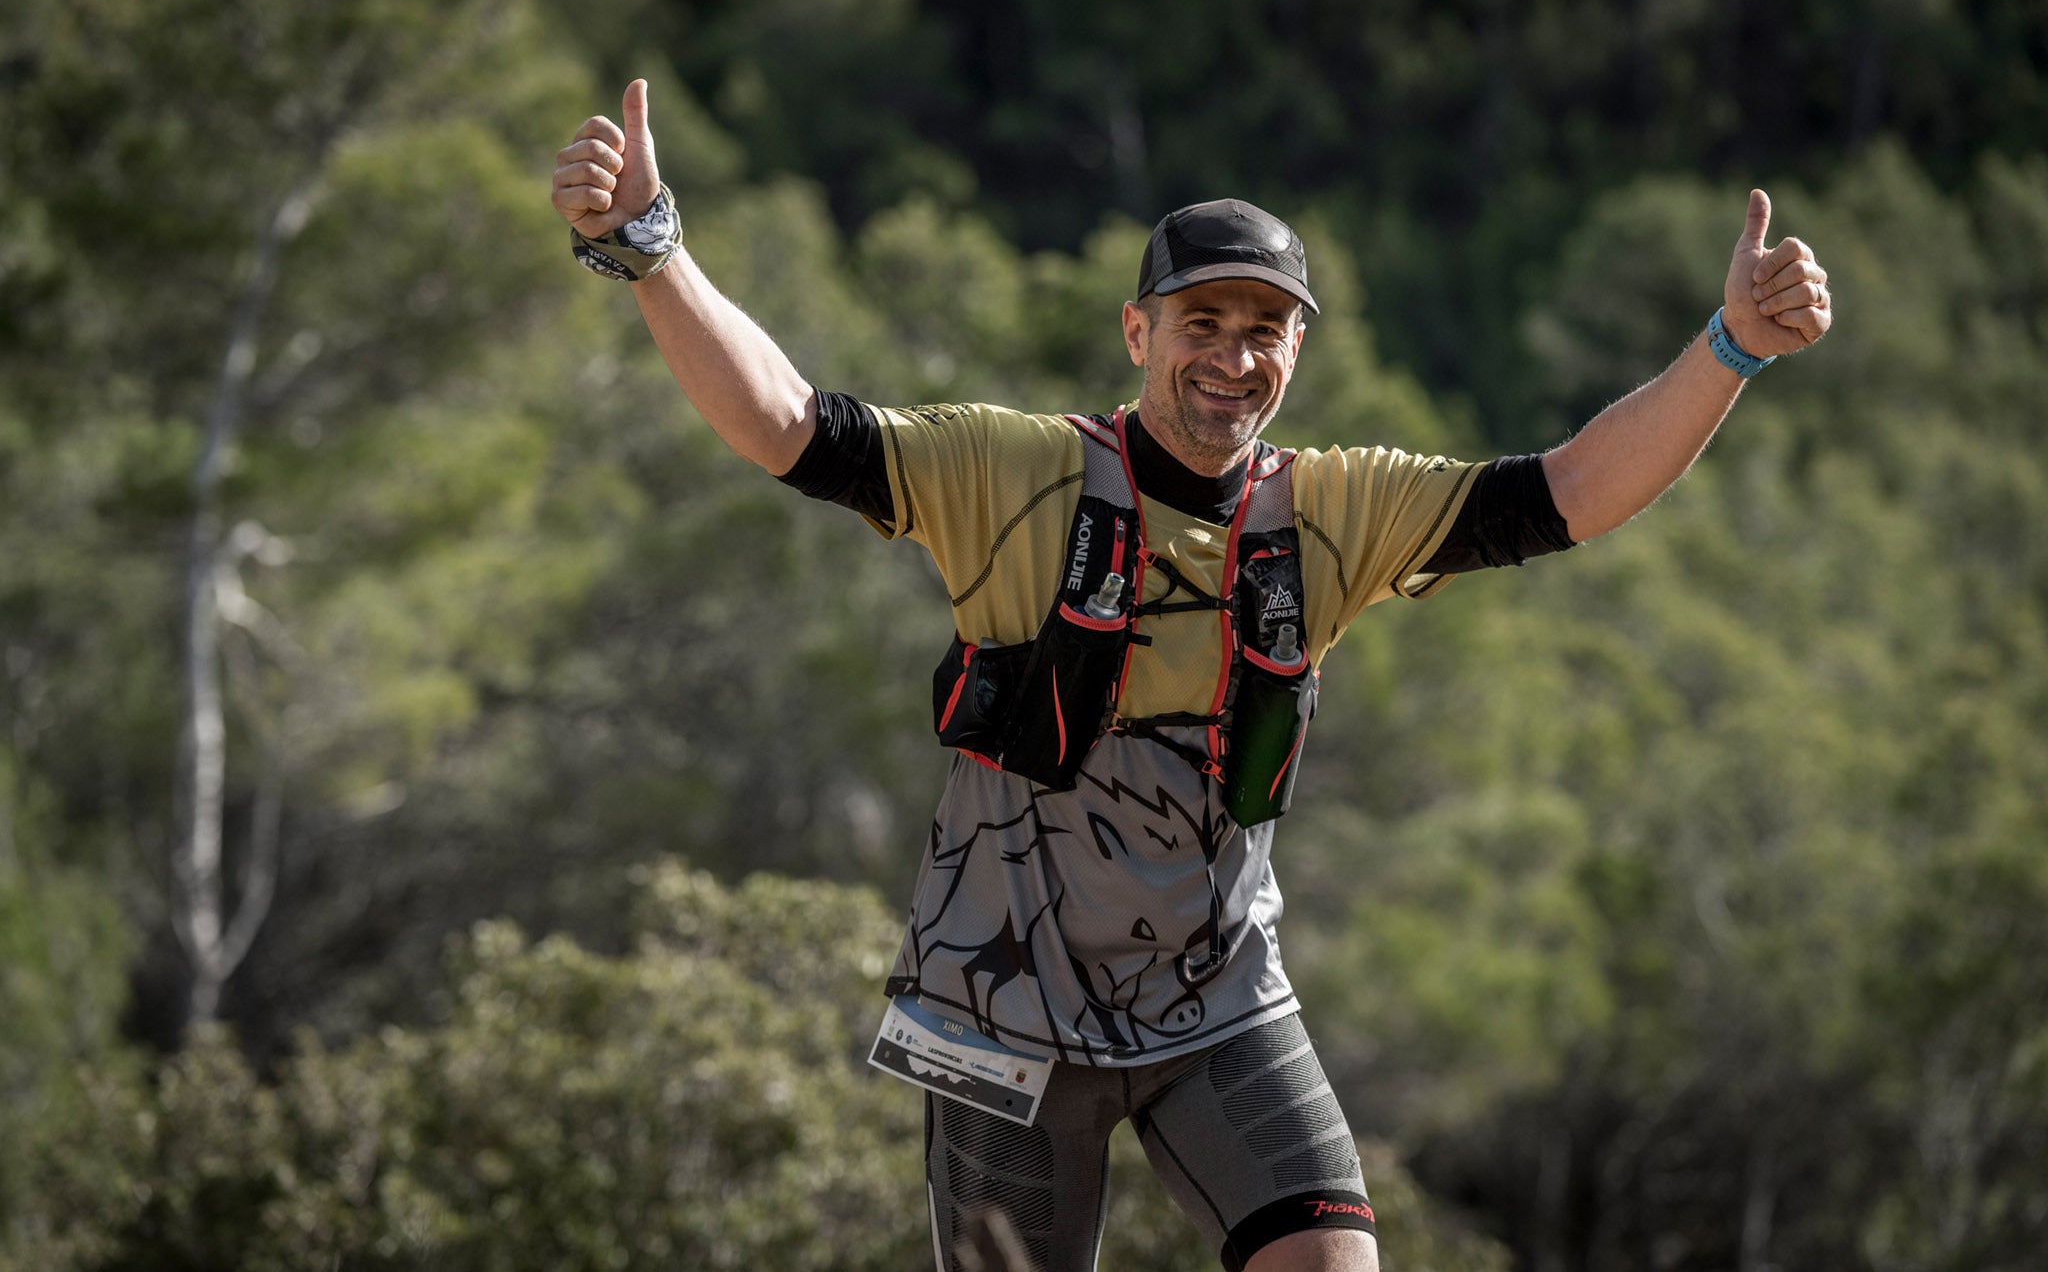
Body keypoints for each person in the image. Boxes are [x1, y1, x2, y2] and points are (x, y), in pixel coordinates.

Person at [551, 80, 1833, 1272]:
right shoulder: (1010, 473)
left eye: (1266, 330)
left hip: (1215, 1009)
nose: (1233, 356)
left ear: (1296, 354)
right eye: (1201, 323)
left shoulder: (1334, 508)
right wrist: (651, 250)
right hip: (998, 1012)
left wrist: (1729, 347)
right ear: (1135, 331)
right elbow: (786, 424)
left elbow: (1566, 496)